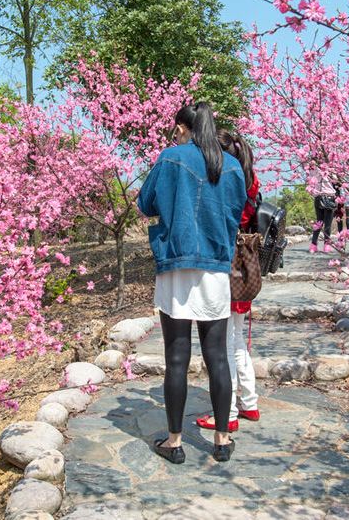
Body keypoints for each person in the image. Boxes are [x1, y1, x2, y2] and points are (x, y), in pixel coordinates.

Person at [137, 102, 247, 464]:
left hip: (177, 264)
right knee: (218, 357)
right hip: (215, 268)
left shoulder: (171, 158)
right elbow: (236, 212)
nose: (176, 136)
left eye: (177, 131)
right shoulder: (231, 166)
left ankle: (175, 441)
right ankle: (221, 439)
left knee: (177, 358)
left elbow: (145, 202)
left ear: (184, 127)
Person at [196, 129, 261, 434]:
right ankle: (249, 402)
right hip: (245, 264)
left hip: (228, 265)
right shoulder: (250, 179)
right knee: (237, 340)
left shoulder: (227, 180)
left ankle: (229, 411)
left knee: (226, 344)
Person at [309, 173, 339, 252]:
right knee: (327, 223)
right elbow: (336, 181)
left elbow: (311, 182)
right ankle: (326, 245)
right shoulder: (331, 170)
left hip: (318, 197)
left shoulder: (315, 170)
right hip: (328, 197)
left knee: (319, 222)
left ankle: (313, 245)